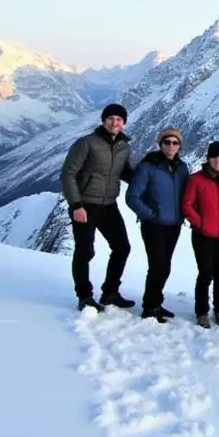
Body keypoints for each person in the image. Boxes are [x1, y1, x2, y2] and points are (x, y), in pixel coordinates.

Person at [60, 103, 135, 311]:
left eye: (119, 119)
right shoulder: (86, 143)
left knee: (122, 247)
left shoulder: (123, 146)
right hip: (85, 205)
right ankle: (84, 296)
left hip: (109, 205)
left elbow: (125, 172)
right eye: (111, 118)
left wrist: (150, 182)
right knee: (85, 251)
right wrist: (76, 205)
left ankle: (110, 292)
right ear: (103, 120)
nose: (114, 123)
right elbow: (68, 174)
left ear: (124, 123)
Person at [125, 126, 189, 322]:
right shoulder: (148, 167)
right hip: (154, 225)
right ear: (160, 144)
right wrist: (149, 214)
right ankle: (150, 306)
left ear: (179, 146)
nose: (171, 145)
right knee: (158, 265)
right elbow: (132, 196)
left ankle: (155, 302)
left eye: (175, 142)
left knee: (164, 265)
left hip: (174, 225)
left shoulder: (182, 168)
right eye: (167, 142)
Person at [181, 141, 219, 327]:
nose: (218, 161)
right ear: (208, 158)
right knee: (205, 274)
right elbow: (187, 205)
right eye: (214, 157)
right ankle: (201, 311)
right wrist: (200, 223)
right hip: (203, 234)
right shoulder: (196, 179)